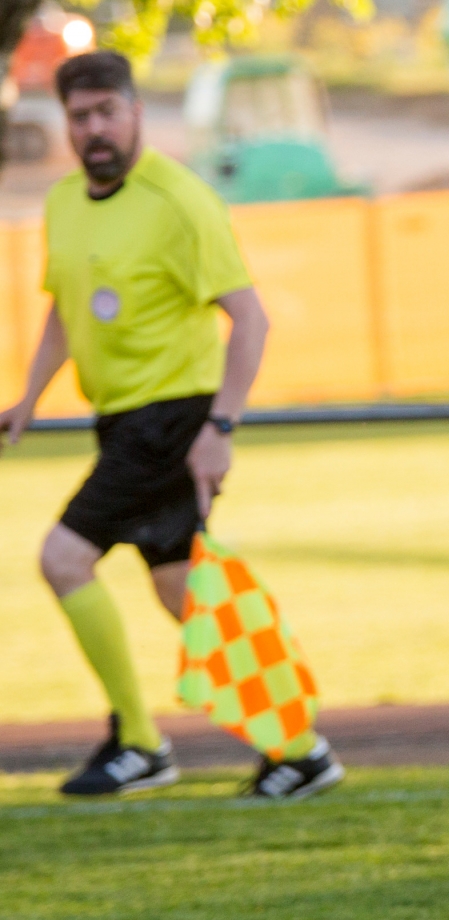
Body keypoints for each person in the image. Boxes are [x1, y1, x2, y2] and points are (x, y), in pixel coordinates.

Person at [0, 51, 344, 800]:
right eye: (81, 116)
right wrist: (28, 396)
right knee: (182, 592)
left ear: (136, 113)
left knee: (63, 559)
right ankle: (299, 747)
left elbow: (250, 318)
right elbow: (66, 308)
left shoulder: (180, 199)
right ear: (67, 122)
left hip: (173, 418)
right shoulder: (63, 202)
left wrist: (219, 424)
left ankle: (139, 740)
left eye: (107, 112)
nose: (95, 129)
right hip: (119, 421)